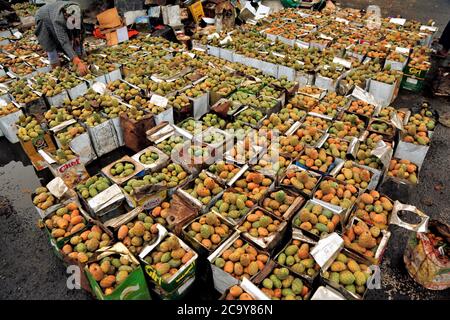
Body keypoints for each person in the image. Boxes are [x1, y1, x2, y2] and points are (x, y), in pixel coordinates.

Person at [35, 1, 88, 75]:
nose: (74, 22)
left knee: (76, 39)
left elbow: (79, 27)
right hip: (43, 17)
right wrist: (77, 61)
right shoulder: (58, 20)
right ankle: (56, 68)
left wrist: (76, 35)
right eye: (72, 20)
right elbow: (64, 41)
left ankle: (80, 58)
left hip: (53, 10)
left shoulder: (77, 11)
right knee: (49, 43)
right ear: (65, 15)